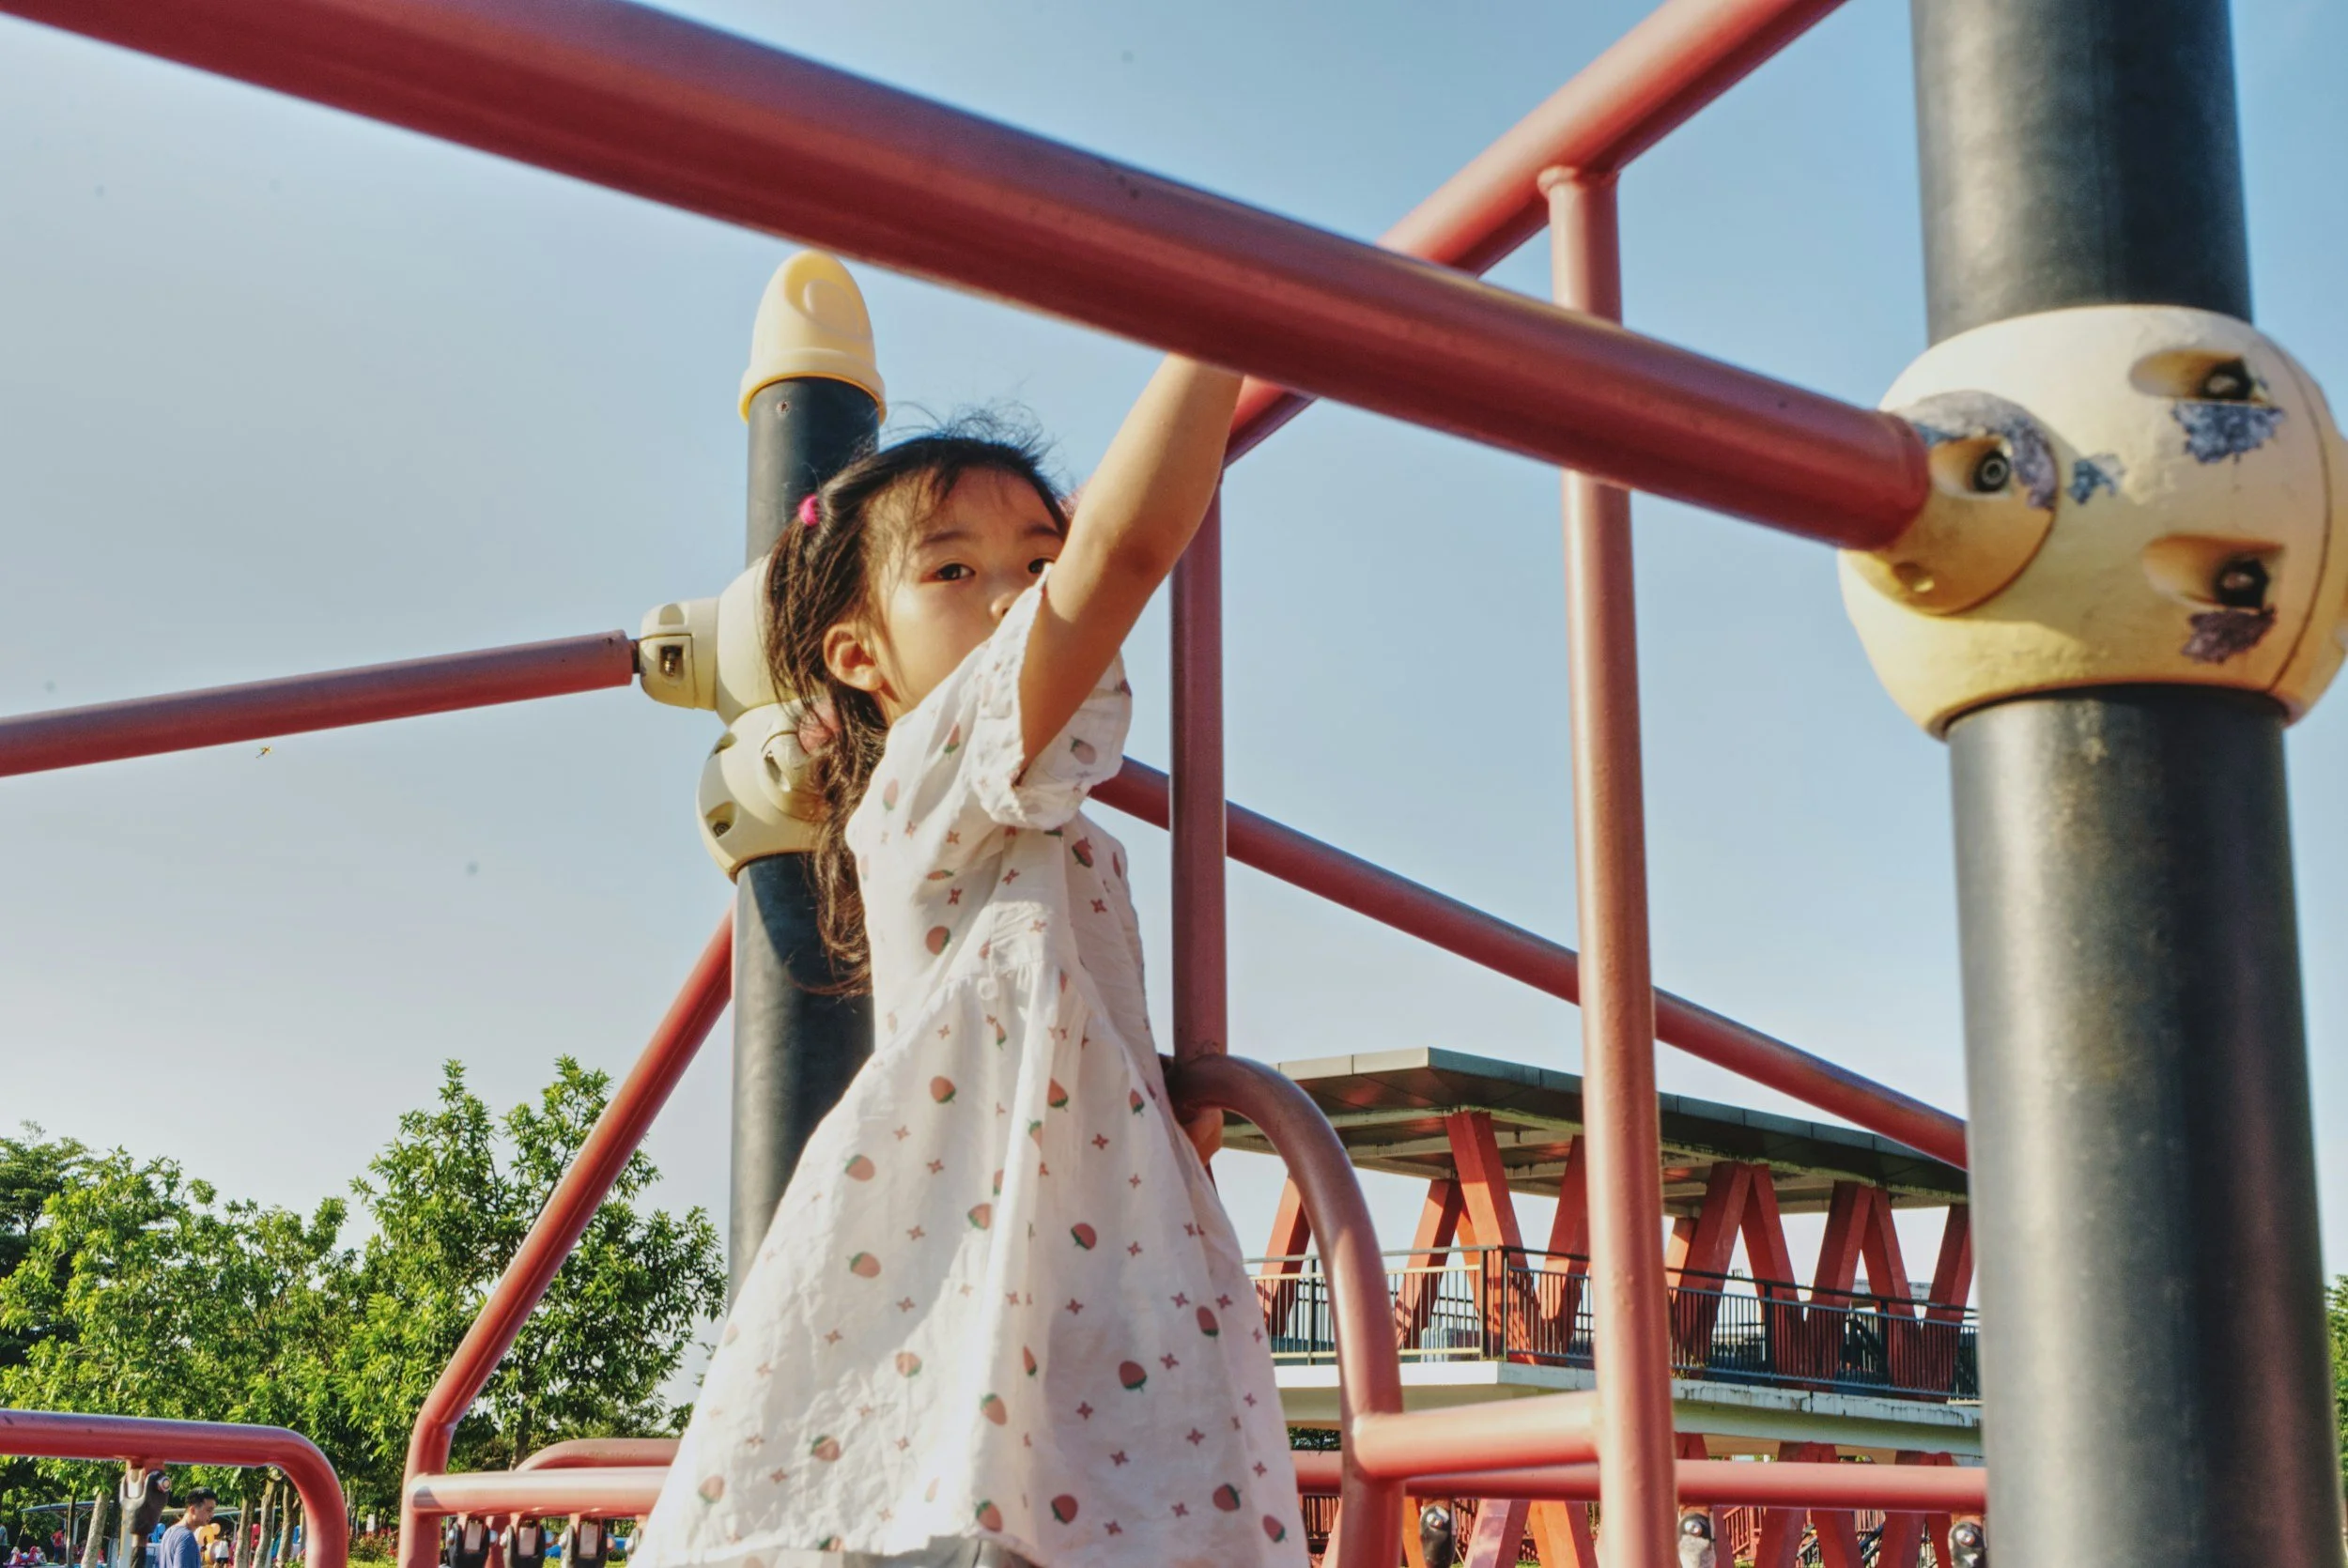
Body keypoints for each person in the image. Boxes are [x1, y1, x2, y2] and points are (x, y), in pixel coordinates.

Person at [632, 361, 1297, 1568]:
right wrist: (1215, 337)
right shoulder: (937, 769)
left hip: (1080, 1248)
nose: (1011, 598)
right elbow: (1126, 552)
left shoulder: (1044, 820)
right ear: (856, 655)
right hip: (979, 1248)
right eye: (953, 570)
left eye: (1034, 563)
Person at [157, 1492, 217, 1568]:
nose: (212, 1515)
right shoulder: (187, 1537)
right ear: (193, 1510)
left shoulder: (169, 1532)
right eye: (209, 1510)